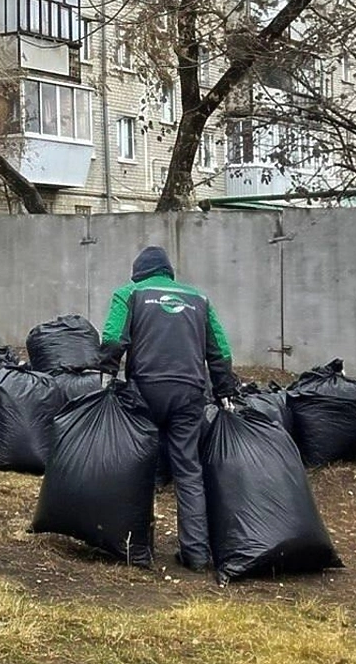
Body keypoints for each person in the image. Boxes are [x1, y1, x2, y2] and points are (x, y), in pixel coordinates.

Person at [98, 245, 238, 572]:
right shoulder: (199, 299)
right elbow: (221, 350)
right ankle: (196, 553)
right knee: (188, 470)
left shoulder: (129, 293)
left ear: (139, 274)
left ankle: (138, 548)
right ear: (168, 274)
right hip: (190, 393)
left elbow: (113, 337)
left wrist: (105, 373)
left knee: (140, 466)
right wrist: (224, 391)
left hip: (146, 390)